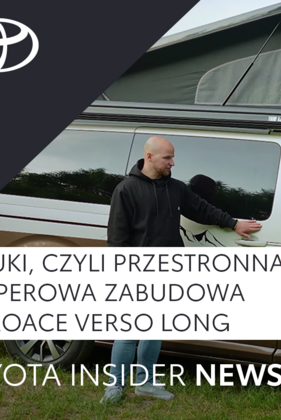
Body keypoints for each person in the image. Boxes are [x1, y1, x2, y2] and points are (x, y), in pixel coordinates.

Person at [100, 136, 262, 404]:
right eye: (167, 158)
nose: (172, 163)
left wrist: (234, 224)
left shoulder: (175, 188)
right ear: (149, 157)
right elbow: (117, 237)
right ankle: (114, 386)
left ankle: (146, 384)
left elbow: (201, 209)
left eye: (173, 157)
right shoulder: (126, 189)